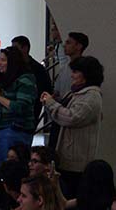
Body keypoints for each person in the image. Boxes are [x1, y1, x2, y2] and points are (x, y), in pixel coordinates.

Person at [40, 55, 103, 197]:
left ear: (87, 74)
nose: (72, 75)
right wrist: (51, 102)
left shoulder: (91, 97)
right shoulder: (75, 92)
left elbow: (71, 118)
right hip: (65, 157)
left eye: (75, 72)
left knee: (70, 196)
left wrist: (51, 103)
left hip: (76, 163)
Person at [0, 46, 37, 170]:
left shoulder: (25, 79)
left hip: (16, 129)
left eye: (3, 60)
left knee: (12, 167)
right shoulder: (2, 79)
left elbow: (20, 107)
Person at [12, 35, 53, 124]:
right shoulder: (12, 68)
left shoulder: (38, 69)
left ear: (25, 48)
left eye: (15, 48)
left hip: (31, 111)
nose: (13, 51)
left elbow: (46, 89)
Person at [53, 31, 89, 100]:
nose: (64, 45)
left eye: (68, 43)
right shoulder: (64, 68)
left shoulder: (86, 69)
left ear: (79, 46)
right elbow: (57, 92)